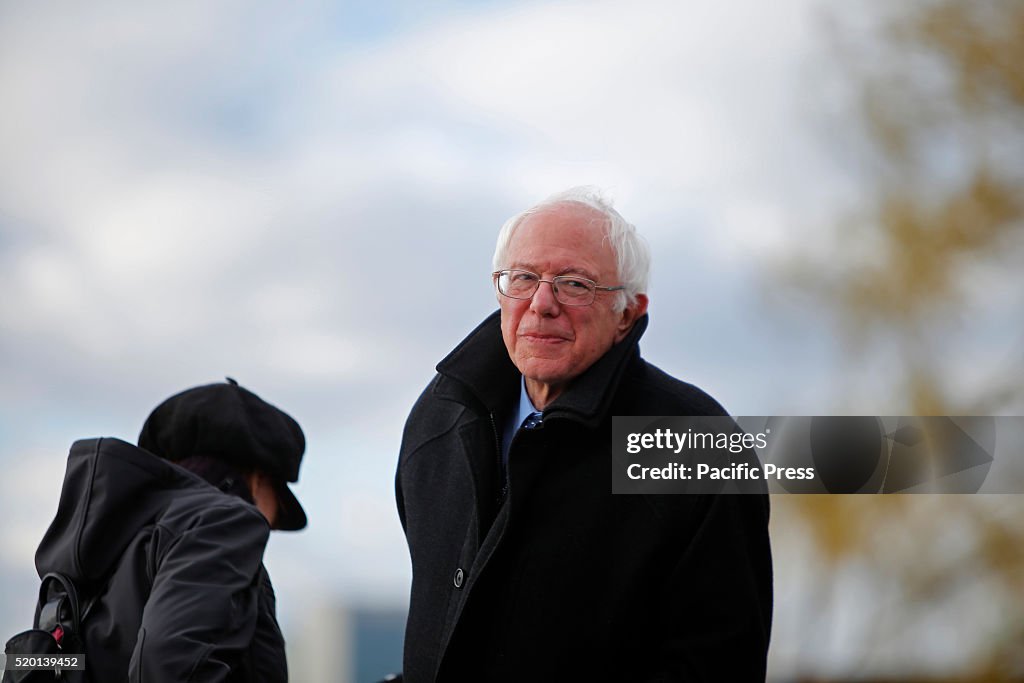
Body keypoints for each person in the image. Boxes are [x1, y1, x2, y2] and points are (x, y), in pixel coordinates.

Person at [396, 187, 772, 682]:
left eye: (575, 284)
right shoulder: (440, 419)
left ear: (628, 314)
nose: (542, 303)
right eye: (524, 278)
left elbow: (719, 663)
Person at [32, 378, 305, 682]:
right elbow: (168, 665)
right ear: (258, 479)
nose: (271, 527)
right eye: (276, 512)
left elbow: (40, 665)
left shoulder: (88, 549)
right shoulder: (222, 521)